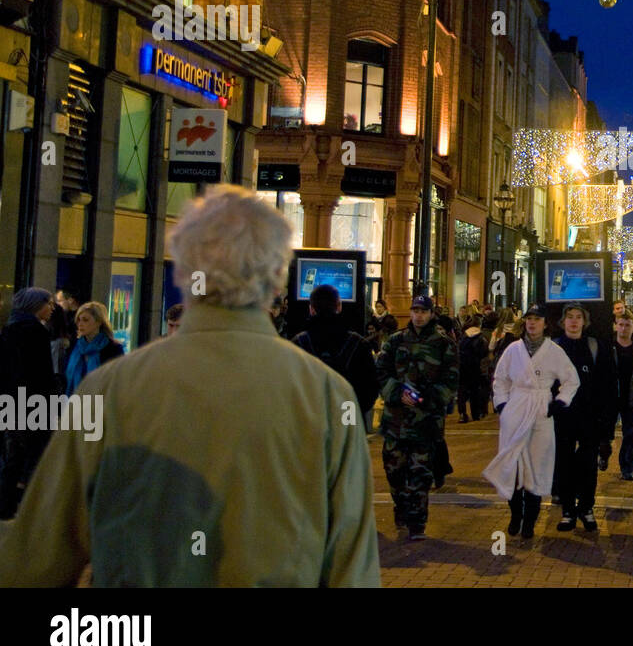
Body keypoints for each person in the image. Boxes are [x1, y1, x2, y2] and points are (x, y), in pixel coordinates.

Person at [0, 187, 379, 585]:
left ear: (183, 273)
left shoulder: (110, 389)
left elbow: (36, 559)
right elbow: (351, 568)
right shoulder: (326, 395)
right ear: (278, 280)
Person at [483, 304, 580, 540]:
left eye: (537, 319)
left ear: (545, 323)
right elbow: (501, 379)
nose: (532, 323)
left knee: (537, 466)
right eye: (529, 319)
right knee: (513, 465)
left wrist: (559, 402)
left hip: (540, 409)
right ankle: (516, 514)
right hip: (516, 407)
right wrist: (503, 405)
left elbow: (571, 380)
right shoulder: (513, 349)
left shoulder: (554, 351)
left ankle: (530, 521)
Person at [376, 293, 459, 541]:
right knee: (395, 473)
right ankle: (401, 509)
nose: (418, 315)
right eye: (415, 310)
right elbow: (381, 372)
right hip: (396, 422)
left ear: (431, 314)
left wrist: (427, 399)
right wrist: (397, 393)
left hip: (426, 423)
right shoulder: (396, 341)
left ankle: (417, 523)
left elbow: (451, 380)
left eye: (423, 311)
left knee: (420, 475)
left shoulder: (444, 343)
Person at [550, 303, 618, 531]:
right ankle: (568, 510)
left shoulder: (595, 346)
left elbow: (608, 385)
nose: (574, 321)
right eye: (569, 317)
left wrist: (607, 423)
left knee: (588, 464)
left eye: (578, 317)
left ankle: (586, 507)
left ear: (584, 321)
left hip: (590, 417)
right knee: (564, 463)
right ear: (563, 321)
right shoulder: (554, 348)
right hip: (563, 417)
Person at [0, 288, 56, 519]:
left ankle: (5, 504)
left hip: (11, 403)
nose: (52, 308)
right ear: (36, 305)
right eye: (49, 303)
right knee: (36, 455)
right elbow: (42, 373)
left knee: (12, 457)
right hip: (33, 404)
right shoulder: (36, 331)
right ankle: (31, 508)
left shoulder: (9, 329)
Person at [291, 285, 378, 433]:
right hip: (348, 418)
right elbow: (370, 390)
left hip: (308, 422)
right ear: (339, 306)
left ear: (311, 308)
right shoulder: (358, 344)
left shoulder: (298, 344)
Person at [64, 302, 125, 395]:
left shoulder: (113, 348)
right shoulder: (74, 346)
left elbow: (117, 380)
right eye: (78, 320)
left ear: (99, 322)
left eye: (85, 320)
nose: (80, 324)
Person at [612, 313, 633, 480]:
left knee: (630, 435)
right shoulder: (609, 347)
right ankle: (603, 455)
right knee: (605, 432)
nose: (624, 328)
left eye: (627, 325)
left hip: (630, 397)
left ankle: (627, 467)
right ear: (616, 325)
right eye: (621, 324)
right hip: (611, 396)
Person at [457, 316, 489, 422]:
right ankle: (475, 414)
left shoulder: (464, 335)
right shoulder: (480, 336)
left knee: (462, 390)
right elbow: (484, 352)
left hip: (462, 366)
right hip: (475, 366)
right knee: (474, 390)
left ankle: (462, 413)